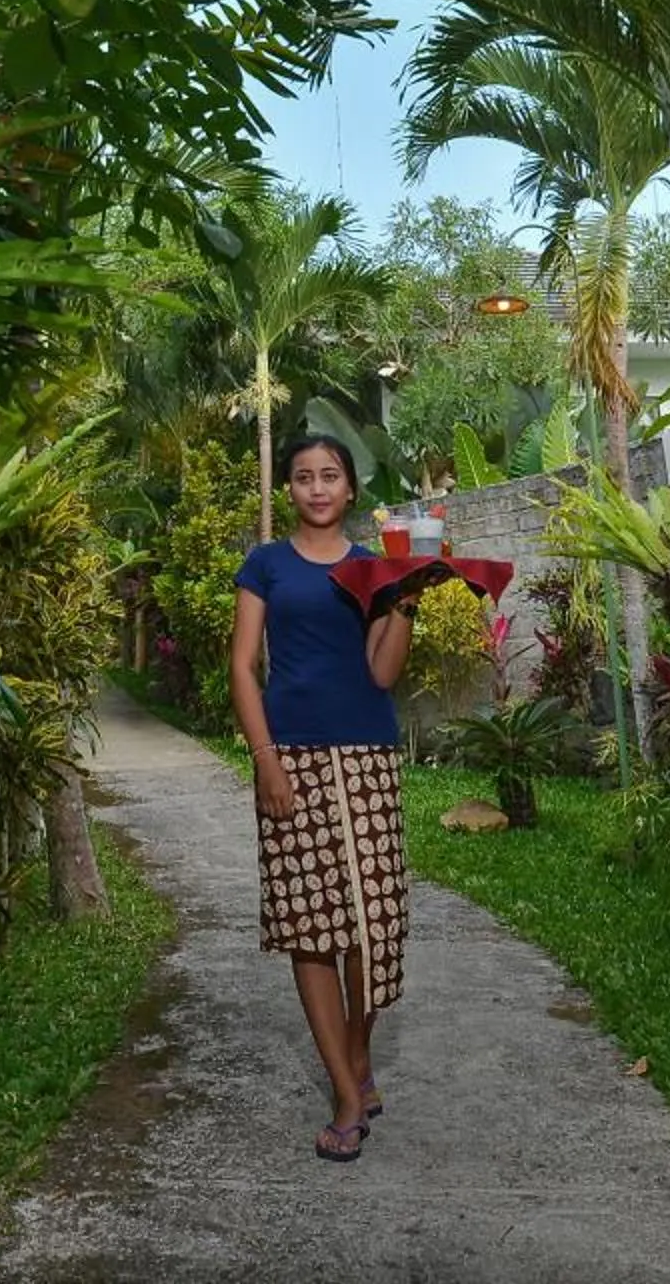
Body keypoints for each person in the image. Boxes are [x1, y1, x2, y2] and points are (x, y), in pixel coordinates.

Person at [229, 433, 414, 1164]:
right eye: (303, 477)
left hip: (366, 756)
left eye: (329, 475)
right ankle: (345, 1091)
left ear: (350, 489)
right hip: (291, 756)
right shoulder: (265, 564)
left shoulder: (374, 566)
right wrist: (265, 759)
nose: (315, 488)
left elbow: (381, 675)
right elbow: (243, 666)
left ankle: (359, 1057)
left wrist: (402, 600)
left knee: (372, 926)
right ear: (292, 491)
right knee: (311, 928)